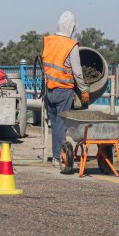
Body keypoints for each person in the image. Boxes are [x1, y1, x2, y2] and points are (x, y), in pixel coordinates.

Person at [42, 11, 90, 165]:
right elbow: (77, 72)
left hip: (49, 89)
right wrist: (84, 91)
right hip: (64, 89)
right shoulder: (71, 45)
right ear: (71, 27)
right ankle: (61, 157)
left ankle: (56, 156)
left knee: (55, 123)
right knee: (61, 125)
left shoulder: (49, 41)